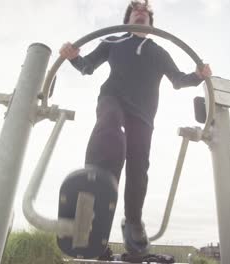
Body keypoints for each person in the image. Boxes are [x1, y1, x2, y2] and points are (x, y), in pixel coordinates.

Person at [59, 0, 212, 256]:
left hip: (143, 114)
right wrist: (74, 58)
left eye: (145, 12)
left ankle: (133, 221)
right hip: (113, 98)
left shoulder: (160, 53)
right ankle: (95, 190)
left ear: (151, 23)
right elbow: (87, 67)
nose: (140, 12)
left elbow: (178, 80)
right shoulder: (113, 42)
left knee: (139, 165)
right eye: (135, 10)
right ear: (127, 20)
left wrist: (199, 75)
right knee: (109, 129)